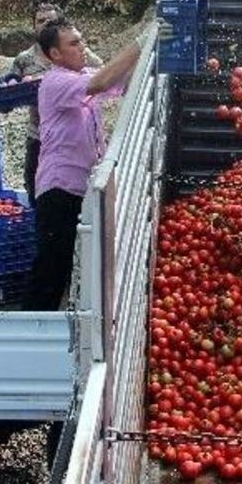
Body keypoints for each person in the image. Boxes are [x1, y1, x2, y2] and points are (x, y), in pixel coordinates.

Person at [28, 18, 149, 312]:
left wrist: (151, 55)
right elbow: (102, 82)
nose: (82, 47)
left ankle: (51, 328)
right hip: (60, 189)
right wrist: (141, 43)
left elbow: (119, 82)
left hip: (80, 188)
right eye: (74, 43)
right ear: (54, 54)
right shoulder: (56, 82)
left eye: (82, 40)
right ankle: (32, 329)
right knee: (51, 268)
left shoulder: (81, 75)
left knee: (74, 267)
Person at [9, 4, 104, 207]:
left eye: (50, 20)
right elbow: (10, 87)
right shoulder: (25, 59)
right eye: (40, 21)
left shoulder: (79, 53)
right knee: (37, 191)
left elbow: (100, 75)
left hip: (74, 139)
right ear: (34, 26)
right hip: (40, 133)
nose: (45, 24)